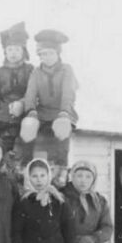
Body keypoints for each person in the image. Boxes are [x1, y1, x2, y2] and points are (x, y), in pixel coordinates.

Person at [20, 29, 79, 183]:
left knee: (62, 130)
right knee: (29, 128)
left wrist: (65, 112)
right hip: (43, 113)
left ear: (58, 53)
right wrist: (31, 112)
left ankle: (61, 170)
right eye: (43, 54)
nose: (47, 58)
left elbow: (68, 93)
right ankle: (28, 168)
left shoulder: (67, 70)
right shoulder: (36, 72)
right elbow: (30, 94)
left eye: (50, 53)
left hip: (62, 113)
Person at [0, 22, 34, 171]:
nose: (13, 53)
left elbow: (33, 93)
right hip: (1, 116)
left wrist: (22, 103)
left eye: (17, 49)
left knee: (20, 153)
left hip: (24, 116)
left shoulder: (31, 70)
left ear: (23, 51)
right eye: (9, 49)